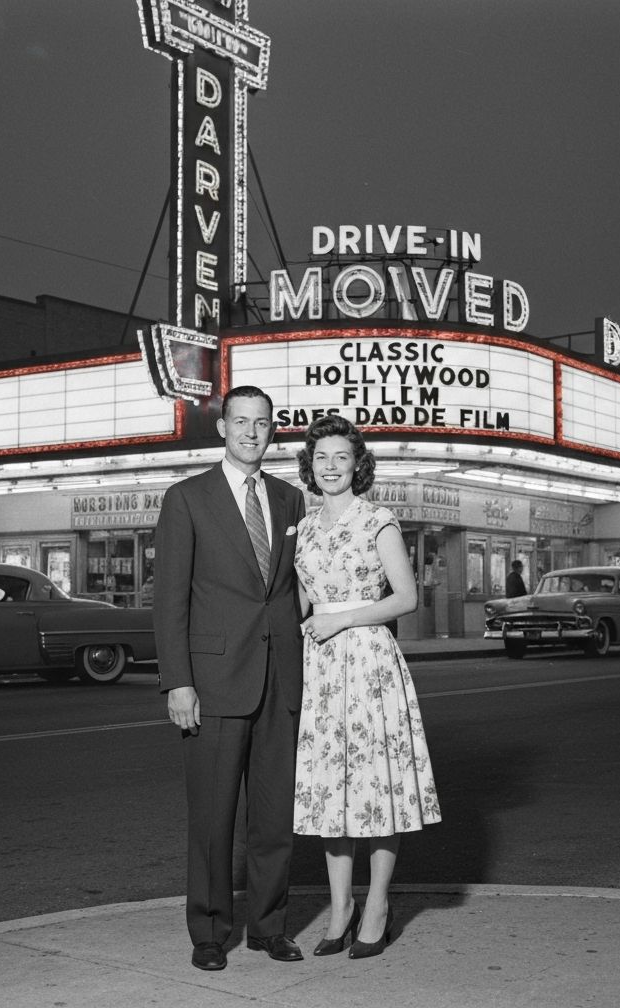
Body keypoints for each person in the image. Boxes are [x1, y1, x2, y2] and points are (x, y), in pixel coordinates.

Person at [154, 385, 306, 971]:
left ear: (272, 430)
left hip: (280, 683)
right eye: (240, 421)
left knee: (274, 819)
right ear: (222, 429)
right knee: (213, 820)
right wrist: (178, 682)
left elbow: (294, 590)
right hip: (212, 683)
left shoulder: (291, 500)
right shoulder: (187, 498)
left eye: (262, 423)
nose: (251, 432)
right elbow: (169, 600)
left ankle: (270, 928)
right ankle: (210, 935)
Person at [292, 414, 441, 960]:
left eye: (341, 458)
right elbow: (302, 602)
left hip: (369, 662)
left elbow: (405, 598)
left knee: (377, 788)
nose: (330, 467)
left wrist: (343, 619)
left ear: (358, 465)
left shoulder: (378, 520)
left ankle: (376, 904)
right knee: (332, 789)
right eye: (321, 458)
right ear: (310, 465)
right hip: (321, 669)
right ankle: (340, 909)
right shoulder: (303, 528)